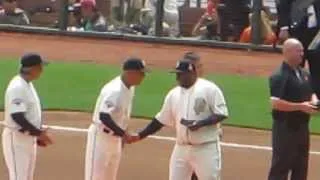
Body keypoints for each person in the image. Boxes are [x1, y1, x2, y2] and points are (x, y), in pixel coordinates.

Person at [127, 59, 229, 180]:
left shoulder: (209, 89)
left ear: (192, 73)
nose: (178, 77)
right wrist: (140, 135)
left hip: (205, 148)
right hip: (181, 149)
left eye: (181, 74)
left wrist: (200, 123)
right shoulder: (173, 94)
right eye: (177, 74)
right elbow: (160, 120)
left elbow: (221, 113)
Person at [85, 57, 148, 180]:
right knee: (95, 177)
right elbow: (104, 115)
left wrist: (121, 135)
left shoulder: (130, 88)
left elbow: (123, 114)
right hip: (101, 138)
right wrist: (123, 134)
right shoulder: (115, 90)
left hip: (115, 140)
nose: (143, 76)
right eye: (141, 73)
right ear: (130, 72)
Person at [268, 38, 319, 180]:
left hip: (302, 127)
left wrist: (314, 101)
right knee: (281, 166)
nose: (302, 54)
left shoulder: (304, 73)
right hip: (285, 128)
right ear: (288, 52)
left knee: (301, 165)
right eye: (299, 51)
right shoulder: (279, 76)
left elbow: (311, 92)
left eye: (302, 50)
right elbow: (275, 103)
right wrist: (301, 107)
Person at [2, 53, 53, 180]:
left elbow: (28, 113)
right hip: (17, 140)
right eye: (40, 67)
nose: (42, 70)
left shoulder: (27, 84)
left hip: (28, 138)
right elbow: (17, 116)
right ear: (33, 68)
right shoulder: (17, 87)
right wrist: (38, 133)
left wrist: (36, 134)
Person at [183, 52, 223, 180]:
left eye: (200, 66)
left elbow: (217, 111)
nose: (201, 69)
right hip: (187, 143)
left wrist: (218, 126)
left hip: (205, 141)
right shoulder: (183, 88)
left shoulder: (209, 88)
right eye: (198, 66)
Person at [276, 0, 320, 98]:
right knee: (294, 64)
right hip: (297, 30)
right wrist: (284, 28)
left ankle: (316, 98)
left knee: (317, 66)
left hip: (316, 32)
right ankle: (293, 96)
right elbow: (283, 4)